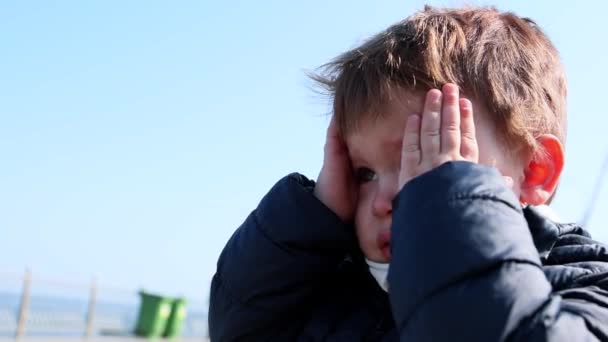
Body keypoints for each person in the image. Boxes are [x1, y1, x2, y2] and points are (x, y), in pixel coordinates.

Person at [208, 5, 608, 341]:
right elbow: (245, 329)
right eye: (364, 173)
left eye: (423, 162)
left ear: (536, 171)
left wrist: (445, 229)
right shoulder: (340, 289)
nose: (383, 201)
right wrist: (313, 219)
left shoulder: (587, 290)